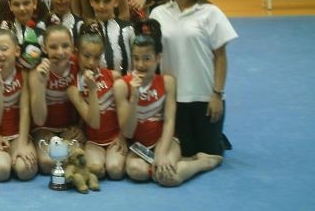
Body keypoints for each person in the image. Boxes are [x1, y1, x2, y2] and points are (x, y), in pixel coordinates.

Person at [113, 20, 223, 186]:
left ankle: (203, 163)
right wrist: (134, 97)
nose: (141, 64)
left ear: (158, 58)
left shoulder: (167, 82)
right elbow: (128, 132)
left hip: (165, 141)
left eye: (147, 58)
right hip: (139, 145)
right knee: (136, 171)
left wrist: (162, 153)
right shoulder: (122, 85)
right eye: (136, 58)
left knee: (169, 178)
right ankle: (173, 165)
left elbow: (170, 120)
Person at [151, 0, 238, 158]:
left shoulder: (210, 12)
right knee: (187, 152)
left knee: (208, 153)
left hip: (204, 98)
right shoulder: (157, 14)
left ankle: (217, 136)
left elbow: (221, 57)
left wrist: (217, 94)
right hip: (174, 100)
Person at [0, 28, 38, 181]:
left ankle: (15, 152)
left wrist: (23, 144)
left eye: (4, 49)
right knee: (1, 171)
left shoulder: (23, 73)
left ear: (17, 51)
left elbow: (25, 110)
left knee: (25, 171)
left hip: (17, 132)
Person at [67, 27, 125, 179]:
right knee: (97, 171)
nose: (91, 62)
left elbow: (126, 112)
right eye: (86, 56)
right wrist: (92, 90)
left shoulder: (113, 76)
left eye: (96, 57)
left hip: (115, 138)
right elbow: (93, 122)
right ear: (77, 53)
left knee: (115, 171)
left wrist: (123, 136)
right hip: (93, 142)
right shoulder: (74, 89)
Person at [29, 24, 83, 175]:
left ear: (73, 46)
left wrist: (80, 127)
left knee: (81, 157)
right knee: (48, 164)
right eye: (53, 47)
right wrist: (40, 83)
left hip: (70, 128)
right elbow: (39, 120)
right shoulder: (37, 71)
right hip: (44, 129)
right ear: (44, 48)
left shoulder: (78, 64)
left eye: (65, 46)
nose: (60, 52)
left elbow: (90, 99)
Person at [88, 0, 135, 75]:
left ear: (116, 1)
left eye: (107, 1)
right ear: (91, 2)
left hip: (126, 86)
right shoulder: (86, 30)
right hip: (97, 87)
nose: (101, 6)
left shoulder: (128, 29)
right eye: (97, 1)